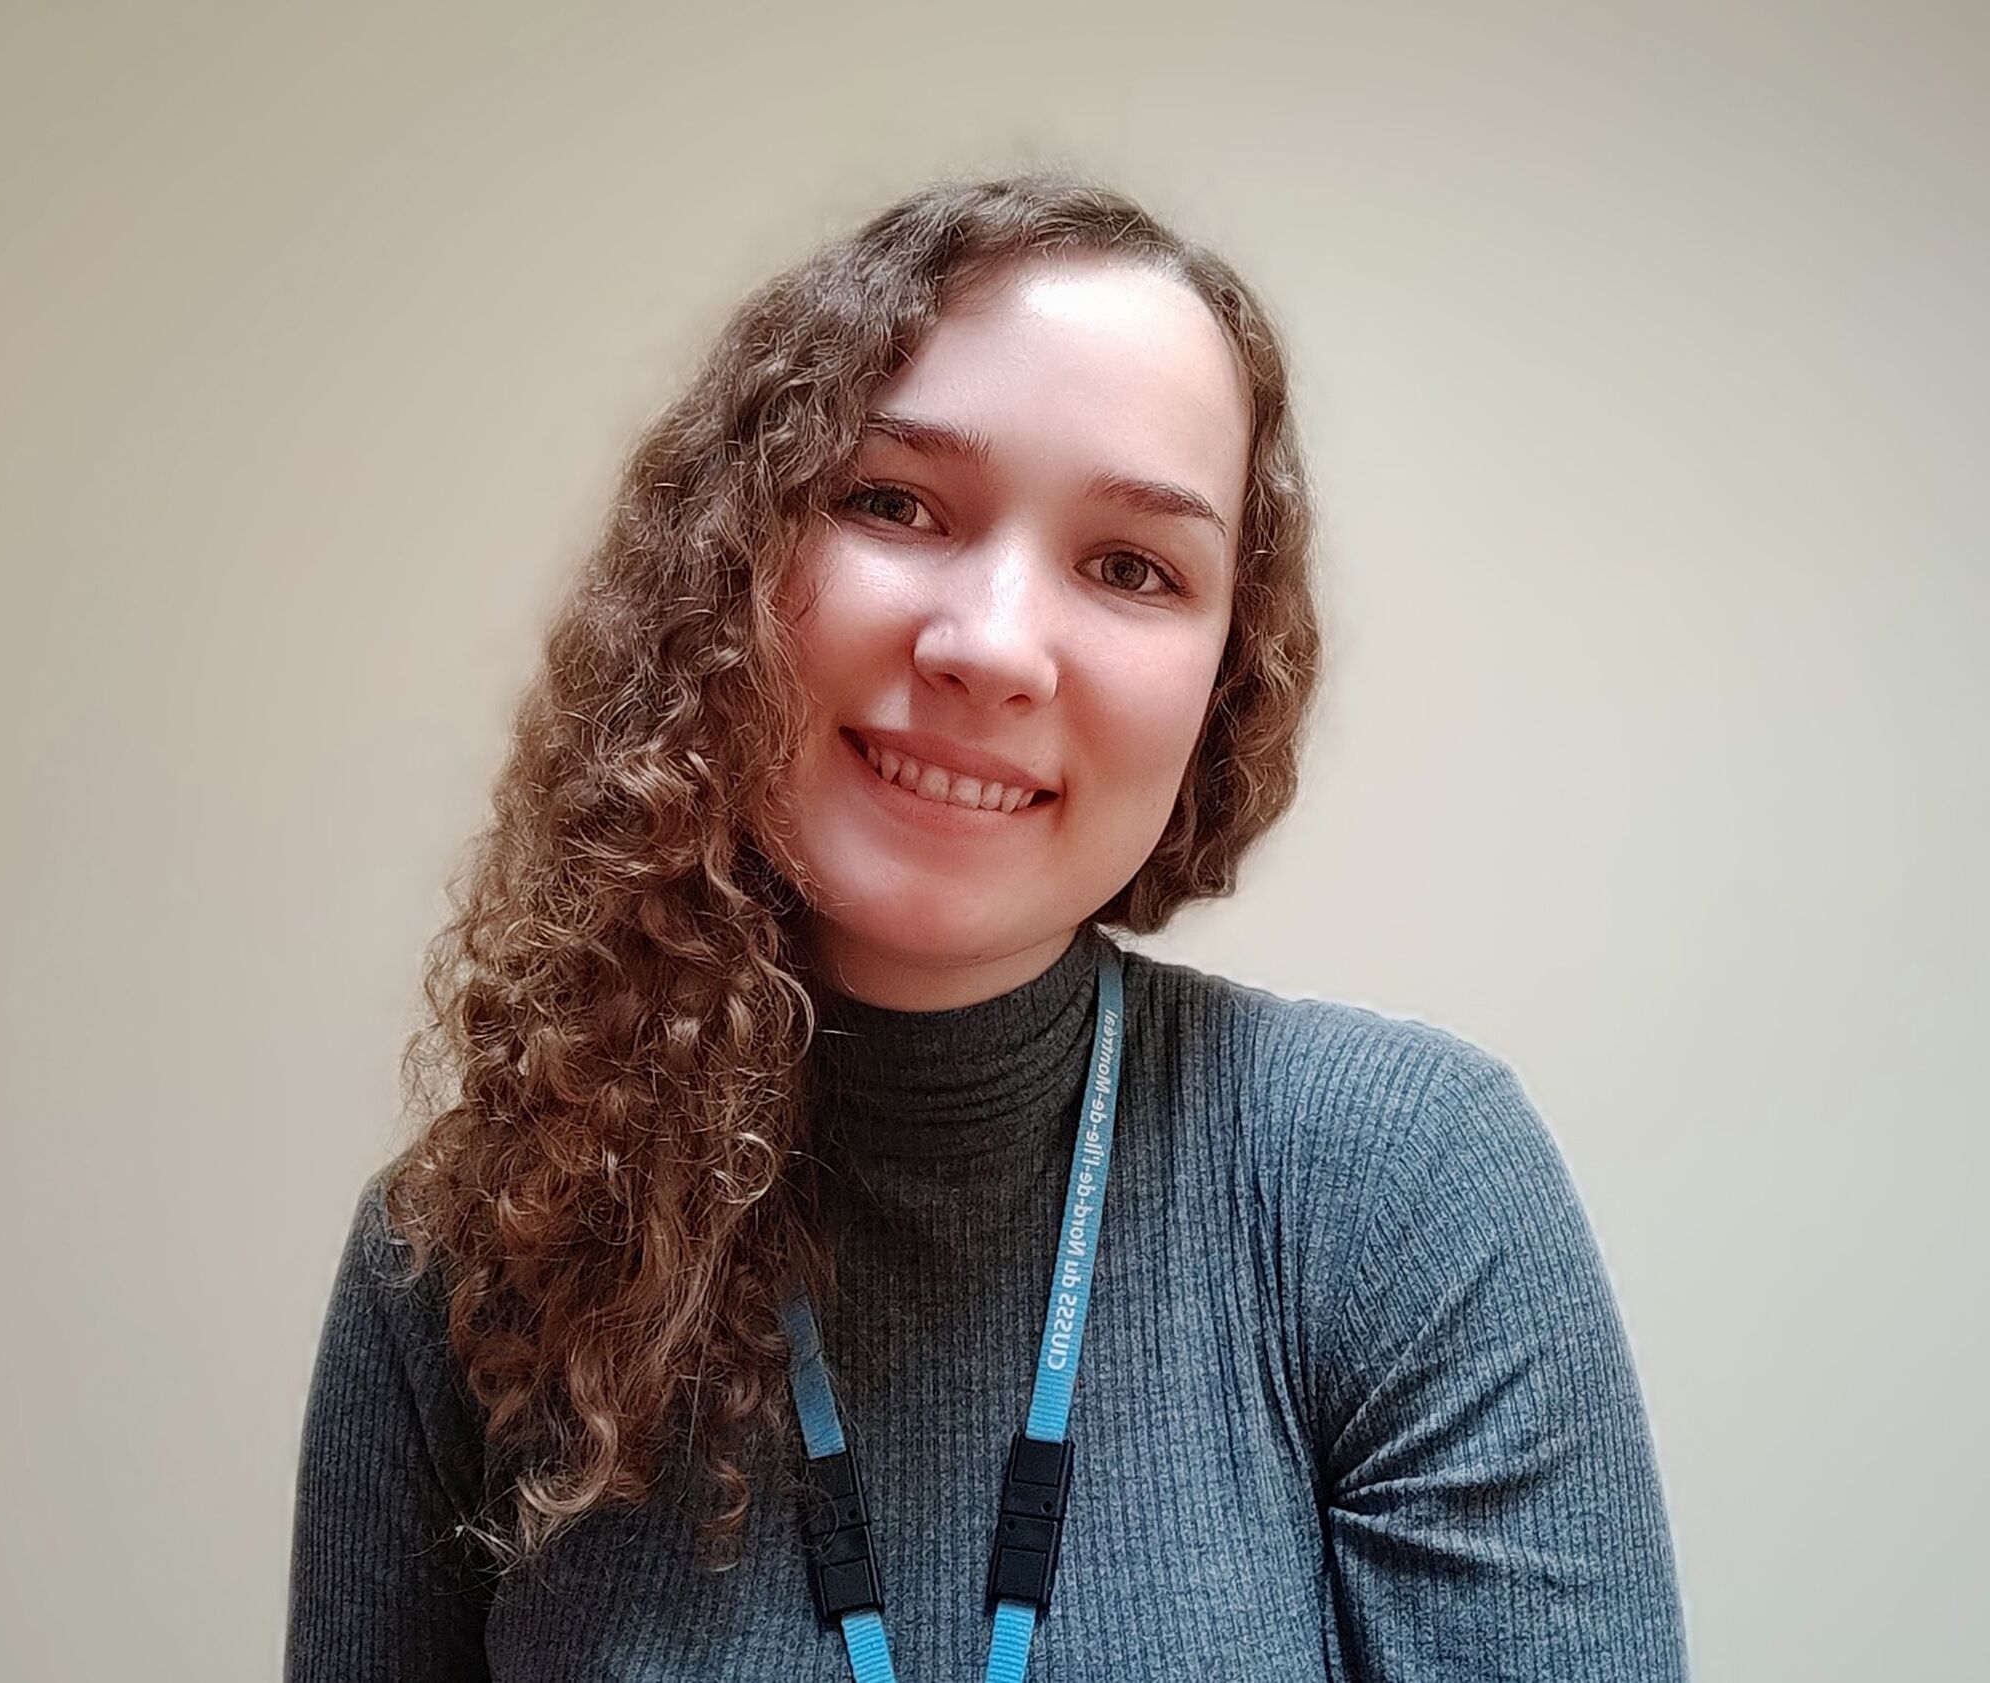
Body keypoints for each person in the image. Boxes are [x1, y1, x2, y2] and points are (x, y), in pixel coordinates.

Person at [285, 170, 1690, 1682]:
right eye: (896, 503)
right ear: (725, 568)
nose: (995, 647)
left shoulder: (1401, 1192)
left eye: (1132, 567)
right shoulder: (469, 1257)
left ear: (1224, 680)